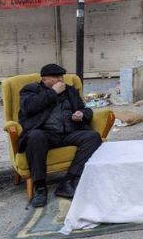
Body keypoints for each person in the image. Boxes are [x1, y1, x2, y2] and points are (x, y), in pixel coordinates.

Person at [19, 64, 102, 208]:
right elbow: (29, 108)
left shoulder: (70, 91)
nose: (60, 80)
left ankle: (69, 181)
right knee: (35, 136)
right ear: (45, 79)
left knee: (93, 137)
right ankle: (40, 187)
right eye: (56, 77)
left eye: (61, 76)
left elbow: (84, 109)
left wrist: (81, 115)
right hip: (46, 134)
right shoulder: (31, 90)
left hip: (70, 132)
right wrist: (52, 92)